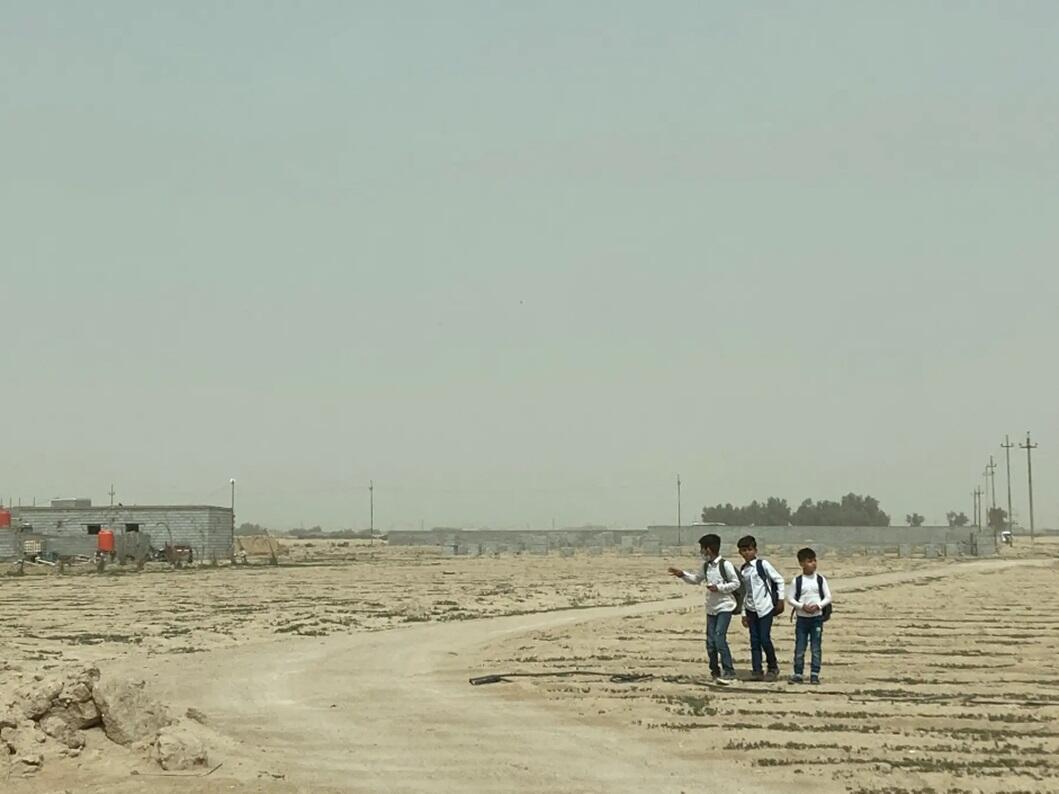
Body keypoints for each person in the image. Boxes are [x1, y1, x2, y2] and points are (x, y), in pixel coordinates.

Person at [668, 533, 740, 685]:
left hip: (725, 606)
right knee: (710, 641)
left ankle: (729, 671)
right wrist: (682, 575)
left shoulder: (725, 565)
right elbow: (696, 579)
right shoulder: (706, 566)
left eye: (702, 549)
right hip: (711, 608)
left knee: (720, 638)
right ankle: (715, 671)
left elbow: (736, 583)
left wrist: (719, 587)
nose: (701, 552)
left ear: (709, 549)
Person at [737, 535, 785, 681]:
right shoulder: (743, 570)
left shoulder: (762, 565)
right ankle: (757, 670)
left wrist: (781, 600)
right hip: (751, 609)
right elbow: (744, 593)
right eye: (743, 550)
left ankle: (773, 667)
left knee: (764, 638)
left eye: (749, 550)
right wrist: (744, 613)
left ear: (755, 550)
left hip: (765, 608)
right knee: (754, 641)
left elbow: (779, 579)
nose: (746, 553)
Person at [787, 547, 831, 685]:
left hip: (816, 619)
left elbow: (828, 597)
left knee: (816, 647)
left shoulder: (820, 579)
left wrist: (818, 606)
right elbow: (790, 598)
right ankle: (798, 673)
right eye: (809, 561)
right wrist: (802, 606)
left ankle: (814, 674)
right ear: (801, 564)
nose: (813, 564)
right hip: (802, 619)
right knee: (800, 646)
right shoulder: (797, 581)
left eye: (814, 561)